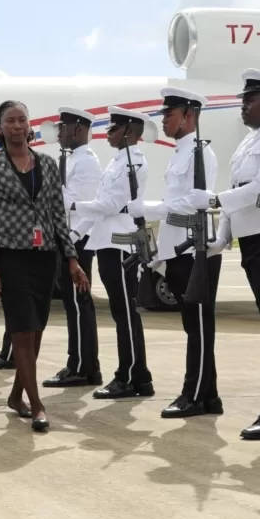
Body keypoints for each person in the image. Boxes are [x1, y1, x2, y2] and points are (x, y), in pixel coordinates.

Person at [0, 100, 89, 432]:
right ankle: (37, 404)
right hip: (10, 257)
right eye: (9, 121)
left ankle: (16, 395)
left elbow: (58, 215)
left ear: (29, 127)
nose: (16, 125)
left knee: (36, 328)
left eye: (21, 120)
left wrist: (72, 259)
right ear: (0, 128)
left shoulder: (47, 164)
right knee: (22, 329)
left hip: (45, 258)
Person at [206, 70, 260, 440]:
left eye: (250, 100)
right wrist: (223, 236)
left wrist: (215, 201)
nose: (242, 106)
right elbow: (237, 188)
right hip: (253, 242)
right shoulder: (252, 139)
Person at [129, 88, 223, 419]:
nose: (164, 119)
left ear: (188, 115)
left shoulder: (201, 154)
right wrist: (160, 254)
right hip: (180, 250)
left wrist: (151, 207)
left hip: (197, 250)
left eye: (170, 114)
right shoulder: (178, 154)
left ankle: (193, 395)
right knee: (193, 325)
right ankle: (208, 396)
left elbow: (194, 203)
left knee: (198, 327)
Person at [69, 107, 155, 401]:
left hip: (120, 244)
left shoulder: (134, 163)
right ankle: (139, 377)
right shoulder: (116, 163)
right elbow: (102, 206)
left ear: (129, 132)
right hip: (107, 242)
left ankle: (129, 377)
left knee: (125, 312)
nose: (107, 134)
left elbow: (109, 205)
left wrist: (73, 207)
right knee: (122, 312)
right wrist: (77, 232)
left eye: (114, 129)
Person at [43, 107, 102, 389]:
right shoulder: (71, 160)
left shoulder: (86, 162)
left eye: (63, 128)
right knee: (74, 305)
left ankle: (81, 368)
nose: (58, 133)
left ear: (77, 130)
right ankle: (82, 365)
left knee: (79, 306)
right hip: (66, 239)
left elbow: (82, 205)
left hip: (76, 241)